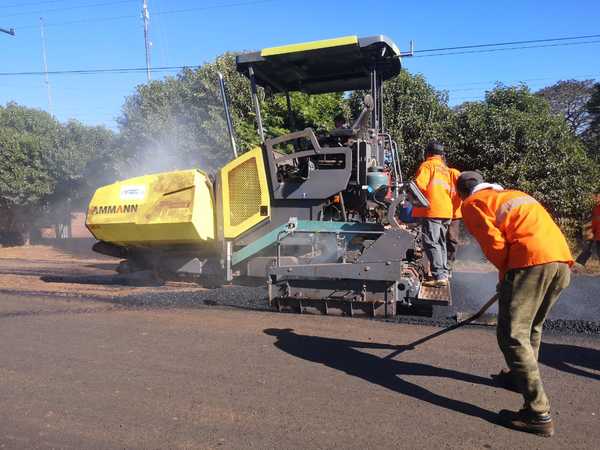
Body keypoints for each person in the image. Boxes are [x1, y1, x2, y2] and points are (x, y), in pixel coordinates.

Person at [456, 171, 573, 438]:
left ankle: (538, 413)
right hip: (560, 261)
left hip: (530, 261)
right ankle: (516, 378)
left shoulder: (473, 204)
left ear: (462, 192)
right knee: (531, 327)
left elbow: (495, 245)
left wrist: (507, 278)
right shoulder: (514, 195)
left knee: (511, 334)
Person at [412, 142, 453, 287]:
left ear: (428, 153)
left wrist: (411, 199)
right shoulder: (445, 169)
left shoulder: (427, 165)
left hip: (432, 210)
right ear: (441, 154)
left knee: (430, 242)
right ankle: (444, 273)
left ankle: (439, 276)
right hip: (446, 210)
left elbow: (419, 184)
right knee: (441, 243)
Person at [446, 167, 462, 274]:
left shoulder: (455, 173)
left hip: (454, 213)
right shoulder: (437, 173)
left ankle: (449, 265)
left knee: (452, 239)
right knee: (438, 239)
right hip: (439, 212)